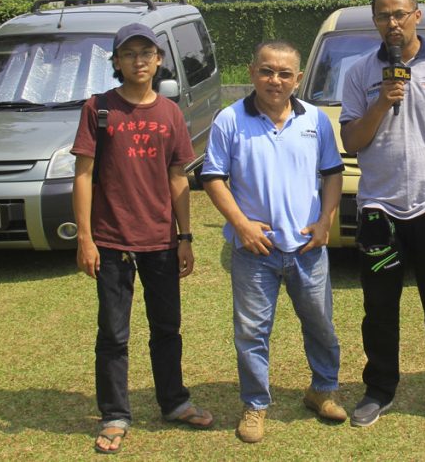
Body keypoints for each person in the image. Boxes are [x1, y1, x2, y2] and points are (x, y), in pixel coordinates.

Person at [72, 22, 213, 455]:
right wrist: (85, 238)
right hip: (112, 239)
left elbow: (178, 177)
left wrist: (184, 236)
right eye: (129, 53)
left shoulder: (170, 113)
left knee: (167, 328)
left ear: (159, 60)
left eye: (147, 53)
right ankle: (115, 414)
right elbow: (83, 175)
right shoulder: (98, 108)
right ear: (116, 62)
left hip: (160, 240)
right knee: (113, 332)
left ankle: (174, 402)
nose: (139, 61)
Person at [339, 0, 425, 428]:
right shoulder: (360, 73)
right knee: (379, 307)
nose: (392, 23)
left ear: (417, 15)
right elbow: (352, 141)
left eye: (400, 14)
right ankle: (379, 389)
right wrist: (382, 101)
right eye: (383, 16)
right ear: (375, 21)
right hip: (379, 210)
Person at [201, 40, 346, 444]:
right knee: (251, 332)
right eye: (267, 71)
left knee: (320, 324)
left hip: (306, 248)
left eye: (285, 74)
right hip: (254, 250)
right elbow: (212, 178)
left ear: (298, 79)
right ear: (251, 72)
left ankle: (323, 389)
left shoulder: (315, 119)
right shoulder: (229, 120)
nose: (275, 80)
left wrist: (325, 222)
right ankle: (255, 404)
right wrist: (242, 225)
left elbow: (332, 173)